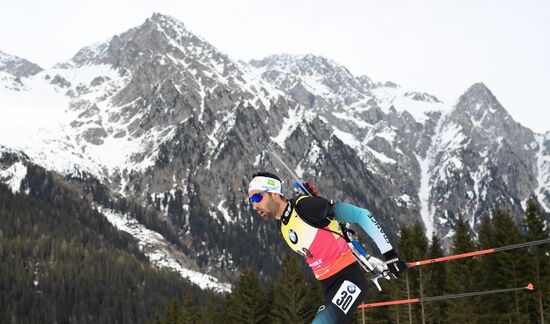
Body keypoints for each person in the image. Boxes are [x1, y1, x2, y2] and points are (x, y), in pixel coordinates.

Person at [248, 172, 407, 324]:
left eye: (257, 197)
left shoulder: (305, 207)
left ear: (274, 193)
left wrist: (390, 254)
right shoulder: (281, 225)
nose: (254, 205)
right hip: (329, 287)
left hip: (349, 280)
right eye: (251, 201)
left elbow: (362, 215)